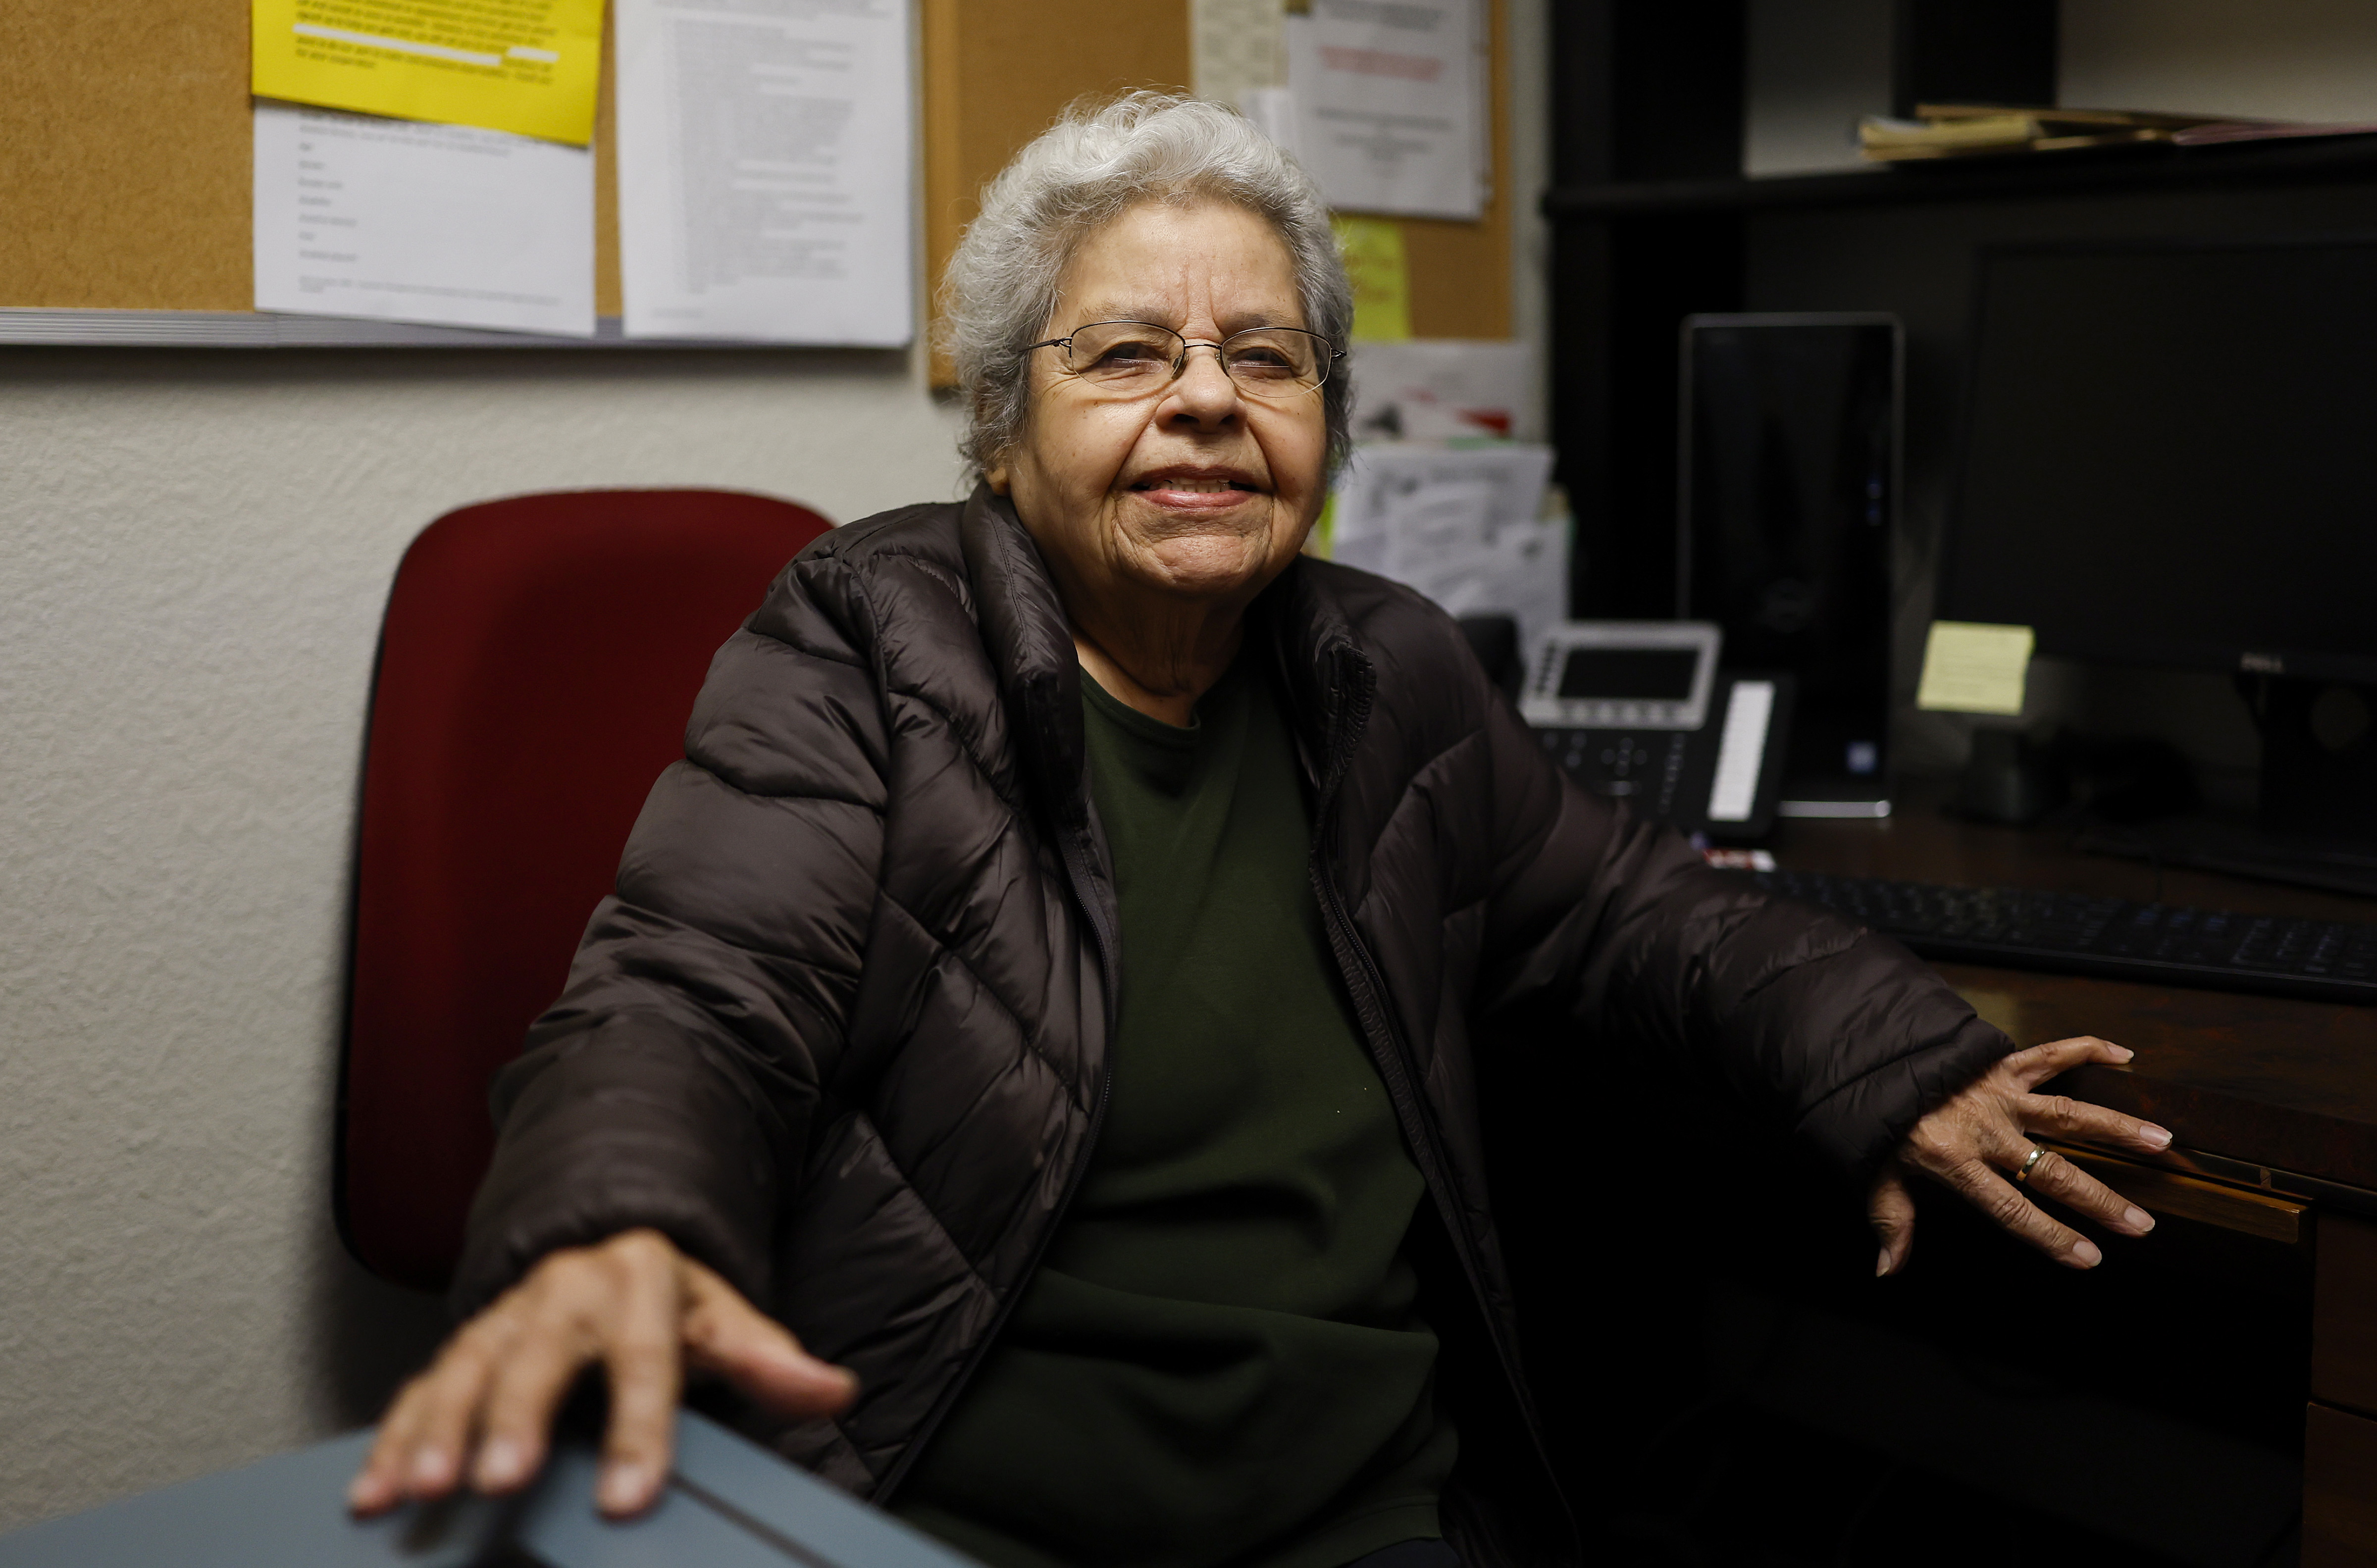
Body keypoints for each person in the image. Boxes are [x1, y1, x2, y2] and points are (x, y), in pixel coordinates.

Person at [347, 94, 2170, 1567]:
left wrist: (1901, 1064)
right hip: (963, 1515)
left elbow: (1636, 912)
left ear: (1321, 428)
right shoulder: (866, 642)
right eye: (1130, 352)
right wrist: (615, 1221)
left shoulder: (1392, 671)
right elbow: (697, 985)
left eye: (1266, 359)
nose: (1208, 397)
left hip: (1361, 1520)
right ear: (1000, 430)